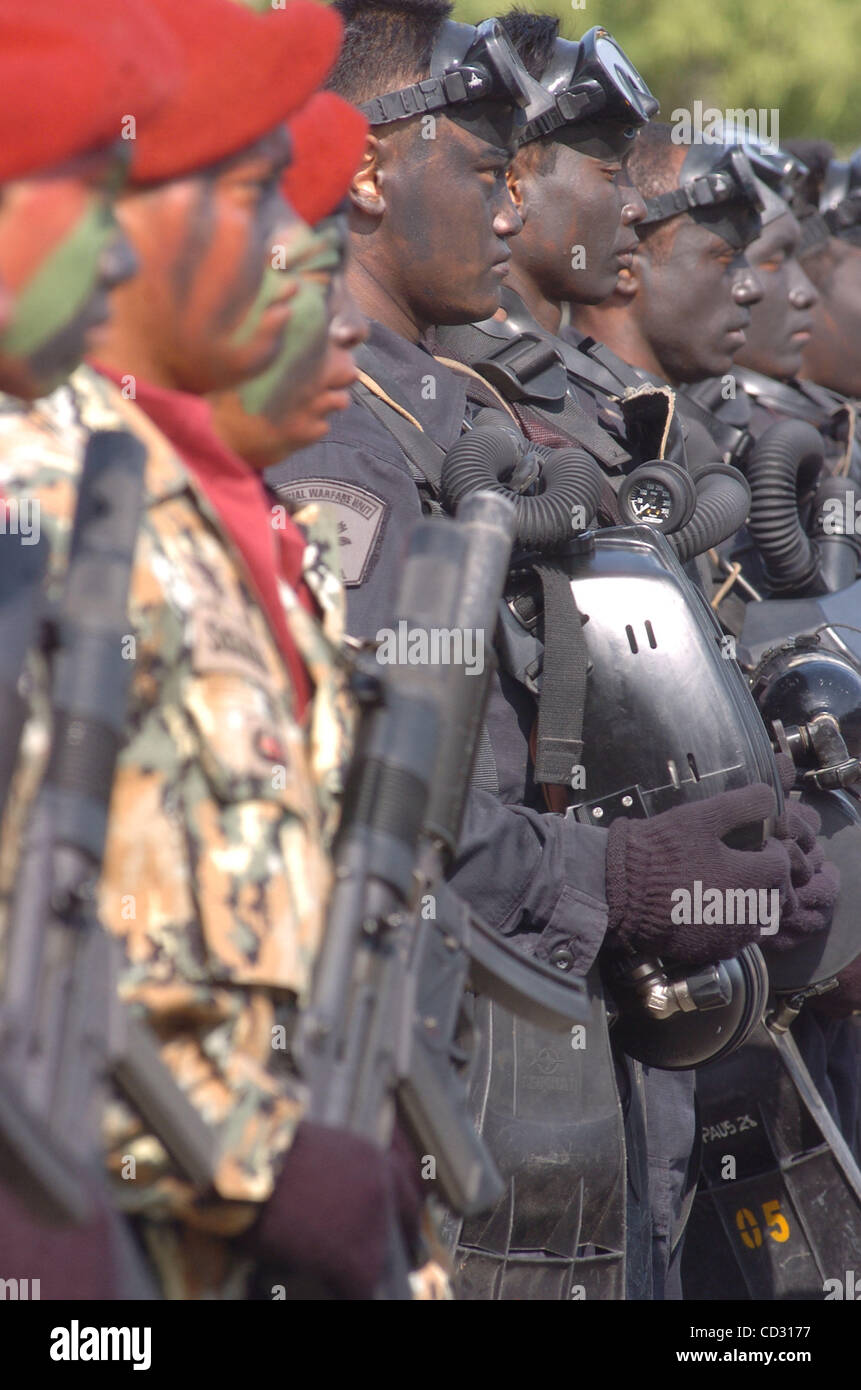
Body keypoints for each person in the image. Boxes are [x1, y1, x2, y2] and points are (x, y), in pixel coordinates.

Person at [269, 0, 810, 1302]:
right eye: (482, 167)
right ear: (365, 170)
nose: (507, 216)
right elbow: (383, 827)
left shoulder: (458, 408)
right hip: (435, 1094)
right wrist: (618, 876)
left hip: (563, 1082)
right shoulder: (339, 438)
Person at [0, 0, 422, 1301]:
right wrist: (250, 1164)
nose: (302, 272)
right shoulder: (42, 497)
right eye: (251, 204)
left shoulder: (160, 493)